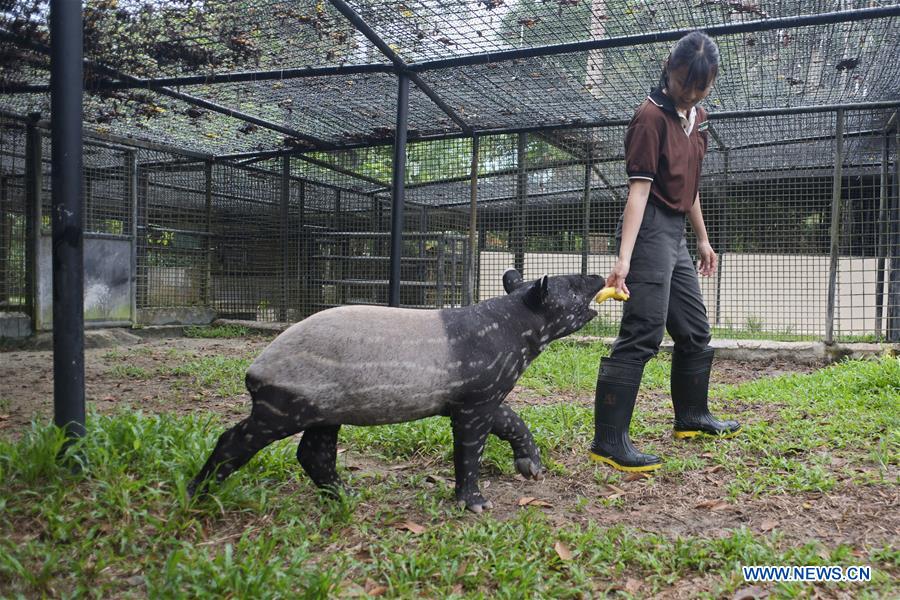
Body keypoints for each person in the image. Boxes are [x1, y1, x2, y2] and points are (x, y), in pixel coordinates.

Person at [589, 31, 741, 473]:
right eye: (682, 85)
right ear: (668, 69)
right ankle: (609, 441)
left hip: (675, 230)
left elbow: (689, 187)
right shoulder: (650, 118)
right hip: (650, 227)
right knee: (644, 331)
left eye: (699, 88)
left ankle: (692, 418)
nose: (689, 95)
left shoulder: (698, 119)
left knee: (694, 329)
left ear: (710, 83)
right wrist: (624, 259)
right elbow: (639, 192)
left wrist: (703, 238)